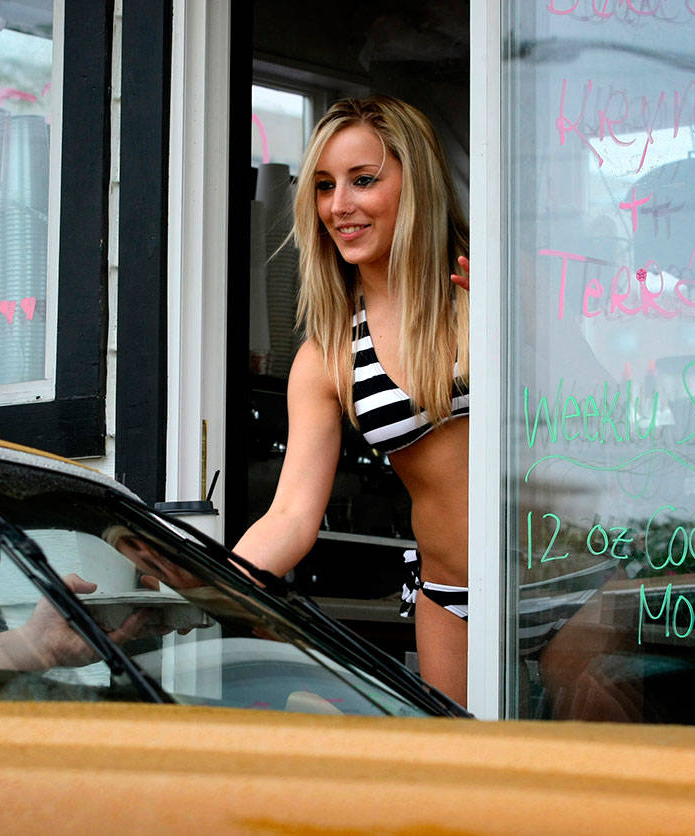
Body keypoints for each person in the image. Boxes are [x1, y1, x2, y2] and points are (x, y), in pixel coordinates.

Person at [234, 95, 471, 704]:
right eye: (323, 186)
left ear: (412, 182)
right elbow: (289, 518)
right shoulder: (329, 353)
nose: (339, 206)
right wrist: (206, 588)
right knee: (463, 786)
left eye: (363, 180)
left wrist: (509, 334)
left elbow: (591, 409)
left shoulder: (485, 285)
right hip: (449, 600)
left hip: (559, 581)